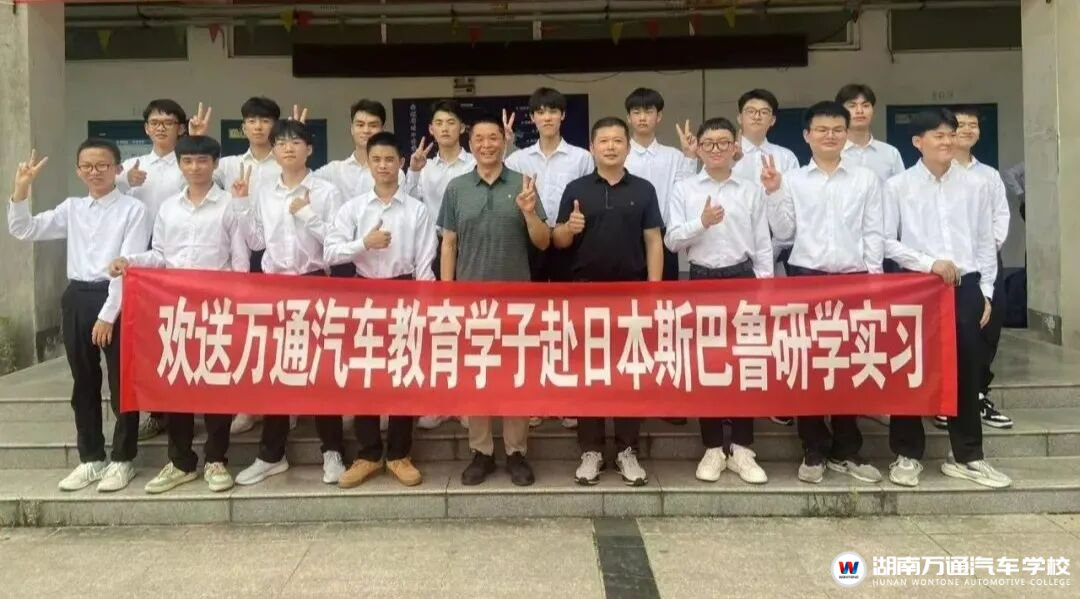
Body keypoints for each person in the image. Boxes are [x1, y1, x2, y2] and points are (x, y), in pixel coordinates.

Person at [7, 140, 150, 492]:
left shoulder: (133, 210)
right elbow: (25, 230)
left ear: (118, 169)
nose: (94, 172)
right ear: (78, 170)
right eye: (87, 166)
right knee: (83, 382)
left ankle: (123, 459)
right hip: (77, 297)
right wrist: (21, 189)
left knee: (122, 383)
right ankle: (91, 458)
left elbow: (127, 266)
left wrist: (108, 314)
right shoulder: (72, 208)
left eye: (102, 165)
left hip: (117, 296)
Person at [108, 135, 247, 494]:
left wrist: (236, 303)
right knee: (178, 383)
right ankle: (181, 461)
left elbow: (240, 263)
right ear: (180, 165)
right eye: (188, 161)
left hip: (216, 308)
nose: (195, 167)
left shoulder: (230, 205)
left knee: (217, 383)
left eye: (202, 161)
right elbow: (159, 255)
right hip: (176, 308)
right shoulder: (169, 208)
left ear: (214, 164)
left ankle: (216, 459)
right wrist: (130, 261)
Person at [884, 107, 1011, 489]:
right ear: (917, 141)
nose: (947, 141)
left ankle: (967, 455)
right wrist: (929, 263)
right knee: (911, 368)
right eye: (938, 135)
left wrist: (986, 292)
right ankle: (907, 454)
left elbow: (985, 243)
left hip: (965, 287)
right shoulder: (898, 186)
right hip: (916, 286)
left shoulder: (976, 185)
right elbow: (885, 241)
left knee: (967, 369)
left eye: (951, 135)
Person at [763, 101, 884, 486]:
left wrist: (875, 280)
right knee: (810, 366)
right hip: (806, 279)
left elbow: (873, 232)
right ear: (807, 135)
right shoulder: (794, 179)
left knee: (848, 366)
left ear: (846, 134)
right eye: (822, 130)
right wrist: (773, 192)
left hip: (853, 280)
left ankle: (847, 449)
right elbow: (784, 233)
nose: (830, 136)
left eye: (837, 130)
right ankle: (813, 447)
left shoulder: (865, 179)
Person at [230, 119, 348, 486]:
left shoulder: (326, 191)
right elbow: (255, 242)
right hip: (275, 287)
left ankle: (333, 452)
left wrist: (307, 215)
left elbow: (337, 243)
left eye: (295, 142)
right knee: (276, 372)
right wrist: (241, 204)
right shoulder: (264, 191)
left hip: (315, 283)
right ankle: (271, 454)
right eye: (281, 143)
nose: (287, 148)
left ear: (309, 149)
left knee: (322, 371)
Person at [438, 113, 550, 487]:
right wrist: (448, 294)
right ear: (470, 145)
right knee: (477, 375)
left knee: (516, 375)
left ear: (504, 141)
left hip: (516, 299)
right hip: (470, 300)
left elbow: (543, 241)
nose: (486, 145)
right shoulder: (457, 188)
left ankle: (516, 451)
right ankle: (481, 452)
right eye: (479, 139)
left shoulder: (523, 183)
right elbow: (449, 243)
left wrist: (529, 213)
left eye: (493, 138)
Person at [552, 116, 663, 487]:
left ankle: (628, 450)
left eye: (618, 140)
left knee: (629, 373)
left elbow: (653, 241)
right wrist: (569, 228)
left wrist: (654, 291)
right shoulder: (577, 188)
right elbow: (558, 241)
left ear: (628, 147)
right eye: (604, 141)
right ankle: (591, 450)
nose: (611, 146)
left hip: (632, 293)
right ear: (592, 147)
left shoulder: (644, 189)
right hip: (585, 293)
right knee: (590, 374)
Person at [325, 131, 437, 488]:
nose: (384, 166)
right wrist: (364, 243)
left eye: (390, 159)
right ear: (368, 164)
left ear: (401, 163)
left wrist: (425, 306)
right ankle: (369, 454)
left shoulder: (417, 210)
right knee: (365, 375)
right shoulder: (353, 209)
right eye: (376, 160)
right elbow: (330, 252)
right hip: (364, 292)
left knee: (404, 374)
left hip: (405, 291)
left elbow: (425, 261)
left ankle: (400, 453)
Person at [664, 117, 772, 485]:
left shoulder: (750, 190)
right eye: (708, 143)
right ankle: (712, 446)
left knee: (745, 363)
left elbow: (763, 244)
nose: (715, 149)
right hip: (702, 280)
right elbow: (672, 240)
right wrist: (702, 222)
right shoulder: (684, 188)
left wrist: (765, 289)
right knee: (706, 364)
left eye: (723, 143)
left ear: (735, 147)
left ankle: (742, 447)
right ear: (697, 148)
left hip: (743, 278)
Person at [188, 97, 288, 434]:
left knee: (277, 333)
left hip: (276, 255)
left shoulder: (285, 161)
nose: (259, 127)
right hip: (235, 256)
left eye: (265, 120)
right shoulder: (228, 165)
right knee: (242, 333)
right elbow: (190, 178)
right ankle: (247, 406)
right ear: (243, 127)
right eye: (252, 121)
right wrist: (197, 139)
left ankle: (282, 404)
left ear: (275, 125)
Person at [505, 87, 592, 430]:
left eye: (553, 111)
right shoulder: (518, 160)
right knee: (534, 322)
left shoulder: (581, 158)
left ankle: (568, 399)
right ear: (532, 118)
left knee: (569, 322)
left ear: (563, 116)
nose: (547, 117)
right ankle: (536, 398)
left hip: (571, 242)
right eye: (540, 112)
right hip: (532, 244)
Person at [935, 106, 1013, 430]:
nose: (967, 129)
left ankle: (978, 394)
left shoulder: (989, 175)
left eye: (973, 125)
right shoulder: (938, 171)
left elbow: (1000, 215)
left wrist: (987, 246)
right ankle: (946, 398)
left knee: (988, 327)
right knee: (948, 332)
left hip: (985, 259)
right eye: (961, 125)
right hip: (948, 266)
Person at [116, 98, 189, 441]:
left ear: (181, 128)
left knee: (184, 333)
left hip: (180, 258)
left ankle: (189, 408)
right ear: (146, 128)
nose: (161, 128)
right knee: (152, 339)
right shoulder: (132, 166)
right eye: (155, 122)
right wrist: (125, 182)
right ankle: (157, 413)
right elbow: (109, 198)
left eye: (168, 122)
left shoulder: (189, 164)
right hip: (142, 259)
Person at [404, 99, 476, 431]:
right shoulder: (424, 167)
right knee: (436, 327)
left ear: (462, 128)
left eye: (451, 122)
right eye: (439, 123)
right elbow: (408, 205)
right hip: (432, 251)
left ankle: (467, 403)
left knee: (468, 327)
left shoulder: (474, 163)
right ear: (431, 129)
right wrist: (414, 172)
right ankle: (439, 402)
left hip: (470, 249)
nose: (445, 128)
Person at [732, 88, 800, 427]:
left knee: (776, 329)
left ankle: (774, 396)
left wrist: (775, 246)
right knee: (735, 330)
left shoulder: (786, 157)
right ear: (740, 117)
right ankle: (733, 401)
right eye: (751, 110)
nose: (757, 116)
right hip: (734, 256)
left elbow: (792, 205)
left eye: (764, 112)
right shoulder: (725, 151)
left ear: (773, 120)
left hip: (776, 252)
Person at [624, 87, 698, 281]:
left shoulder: (673, 156)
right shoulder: (620, 157)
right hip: (626, 237)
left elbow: (686, 191)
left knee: (664, 296)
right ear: (628, 118)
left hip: (664, 238)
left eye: (649, 112)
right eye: (636, 112)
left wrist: (690, 156)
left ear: (659, 116)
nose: (642, 118)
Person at [315, 99, 405, 199]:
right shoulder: (335, 170)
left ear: (382, 130)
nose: (366, 130)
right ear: (352, 129)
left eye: (373, 125)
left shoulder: (393, 172)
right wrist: (301, 137)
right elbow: (306, 183)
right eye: (360, 125)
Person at [835, 84, 906, 181]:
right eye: (852, 106)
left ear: (873, 111)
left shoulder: (890, 153)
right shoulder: (832, 152)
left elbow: (901, 188)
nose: (859, 111)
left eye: (865, 105)